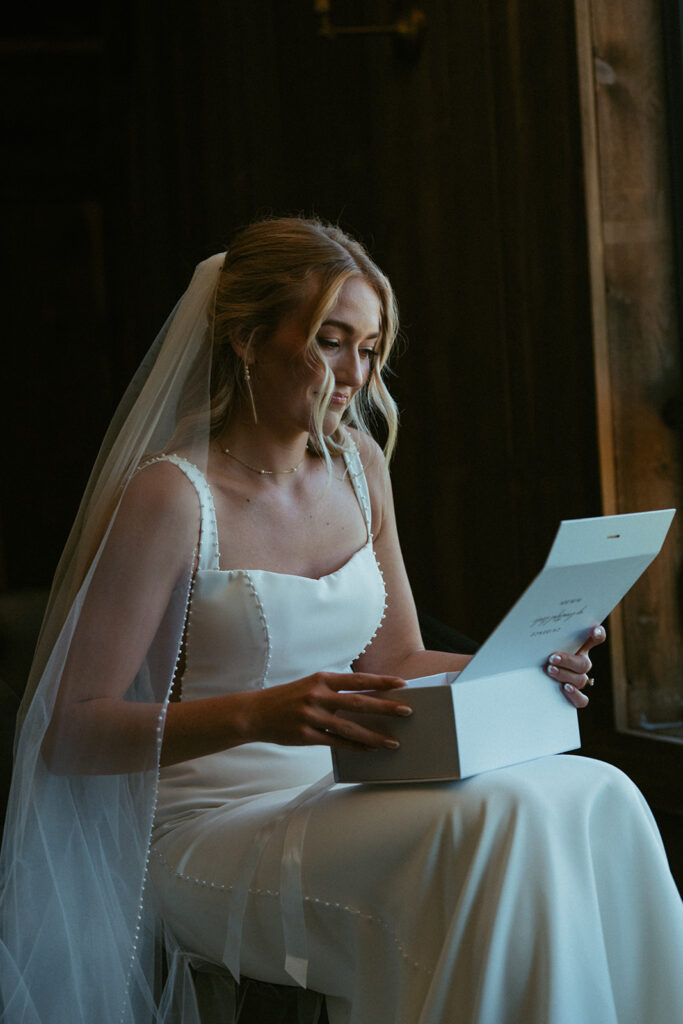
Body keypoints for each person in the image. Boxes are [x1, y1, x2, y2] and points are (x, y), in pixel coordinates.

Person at [1, 217, 682, 1024]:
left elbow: (393, 655)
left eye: (369, 348)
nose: (354, 373)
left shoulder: (358, 467)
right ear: (249, 338)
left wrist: (514, 663)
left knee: (593, 791)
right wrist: (259, 712)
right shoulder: (171, 495)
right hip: (208, 828)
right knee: (504, 816)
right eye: (330, 341)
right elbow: (71, 732)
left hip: (348, 792)